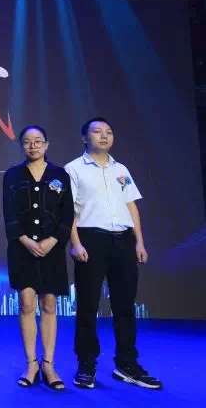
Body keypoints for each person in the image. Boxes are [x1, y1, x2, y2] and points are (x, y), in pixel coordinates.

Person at [65, 117, 161, 390]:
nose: (104, 136)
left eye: (108, 131)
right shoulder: (73, 169)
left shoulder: (121, 168)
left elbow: (131, 207)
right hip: (90, 239)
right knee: (88, 306)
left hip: (123, 241)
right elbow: (68, 210)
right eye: (97, 132)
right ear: (85, 138)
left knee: (125, 306)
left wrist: (139, 242)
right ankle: (86, 364)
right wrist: (76, 243)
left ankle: (126, 364)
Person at [2, 125, 72, 390]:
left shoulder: (59, 174)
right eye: (27, 142)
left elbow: (68, 213)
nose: (33, 146)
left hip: (52, 249)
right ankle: (31, 363)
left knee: (50, 304)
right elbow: (8, 213)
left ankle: (49, 364)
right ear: (22, 146)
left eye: (38, 141)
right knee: (26, 303)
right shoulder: (12, 175)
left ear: (47, 145)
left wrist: (52, 240)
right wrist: (25, 240)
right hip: (22, 248)